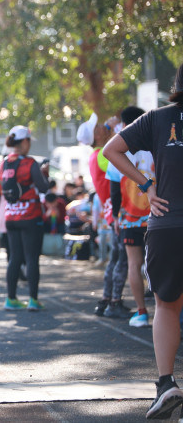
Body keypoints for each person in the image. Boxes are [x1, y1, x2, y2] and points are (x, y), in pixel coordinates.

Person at [103, 63, 183, 420]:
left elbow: (111, 149)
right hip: (167, 222)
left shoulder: (157, 118)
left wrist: (148, 187)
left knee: (166, 305)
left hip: (167, 222)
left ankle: (166, 384)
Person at [78, 111, 130, 318]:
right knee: (121, 259)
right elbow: (124, 163)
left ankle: (107, 300)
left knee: (115, 258)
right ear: (96, 135)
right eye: (98, 126)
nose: (102, 125)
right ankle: (114, 302)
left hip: (111, 213)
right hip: (119, 213)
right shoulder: (102, 155)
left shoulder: (96, 155)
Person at [0, 126, 50, 311]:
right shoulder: (30, 163)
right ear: (25, 141)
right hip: (30, 215)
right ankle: (33, 300)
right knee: (32, 258)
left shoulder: (3, 164)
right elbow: (43, 188)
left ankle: (11, 299)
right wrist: (45, 174)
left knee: (14, 258)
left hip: (11, 216)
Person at [104, 106, 153, 326]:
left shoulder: (117, 150)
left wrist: (115, 216)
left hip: (129, 218)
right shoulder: (154, 146)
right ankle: (167, 310)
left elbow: (114, 190)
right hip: (156, 214)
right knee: (159, 263)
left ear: (124, 125)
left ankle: (141, 312)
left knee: (134, 264)